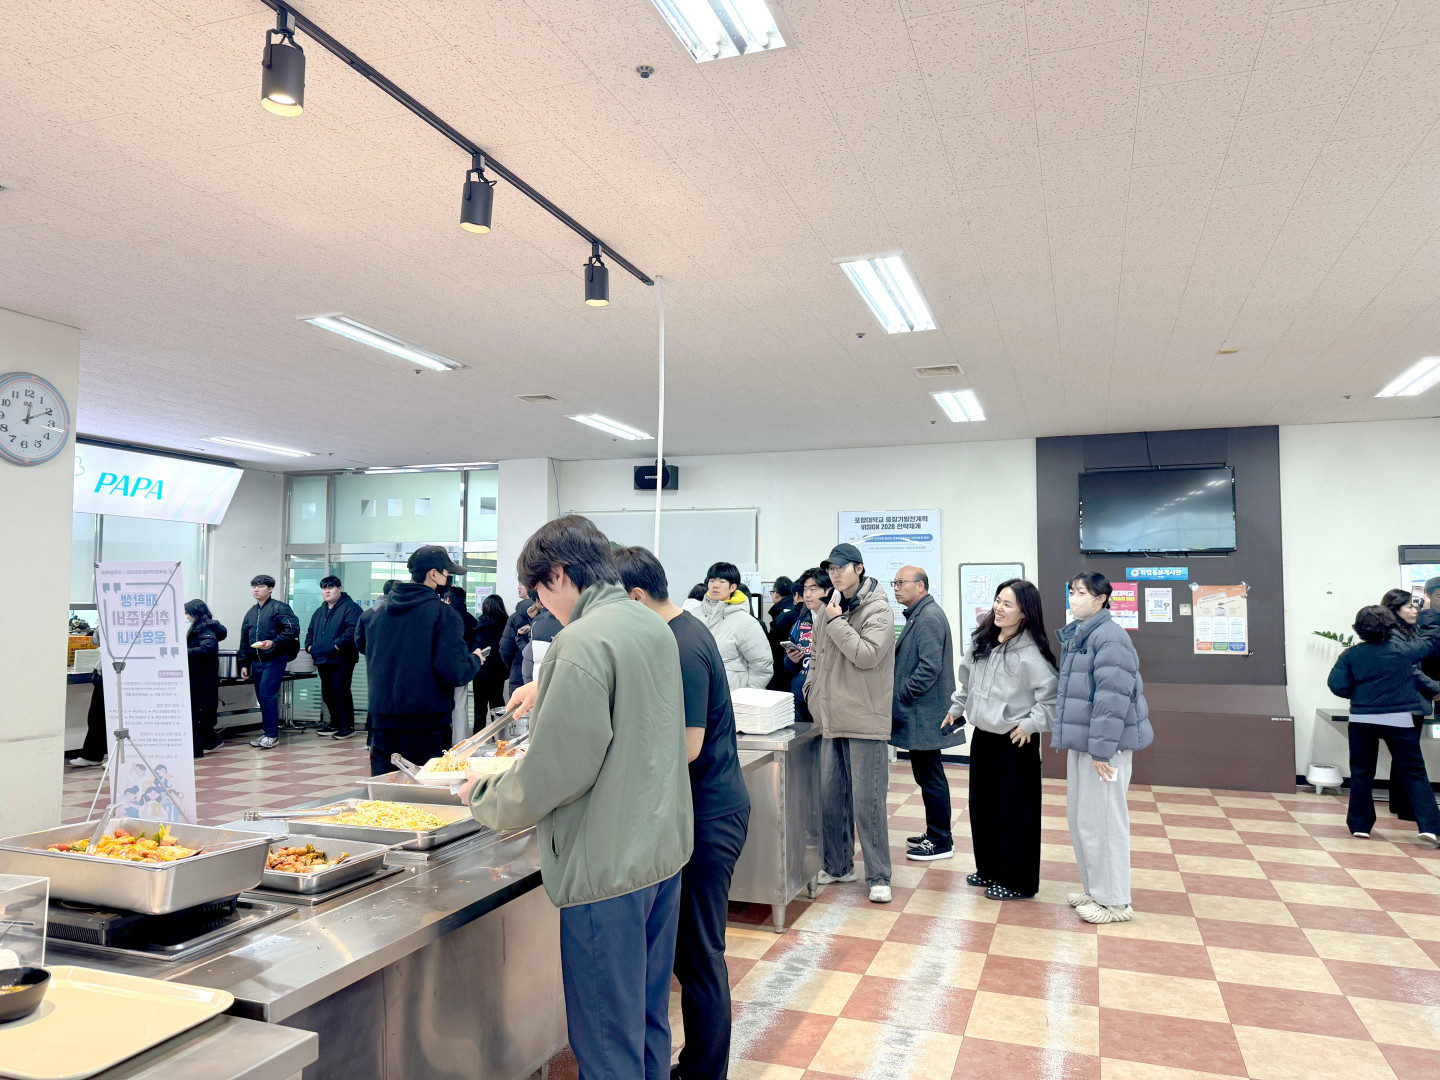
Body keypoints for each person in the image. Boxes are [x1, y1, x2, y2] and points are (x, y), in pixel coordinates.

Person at [462, 517, 691, 1080]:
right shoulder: (650, 624)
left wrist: (483, 793)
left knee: (608, 1041)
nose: (543, 610)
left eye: (540, 595)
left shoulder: (580, 640)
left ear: (559, 574)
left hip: (605, 869)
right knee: (645, 1021)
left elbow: (555, 772)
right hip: (661, 855)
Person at [613, 545, 749, 1080]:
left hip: (711, 815)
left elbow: (687, 746)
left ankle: (702, 1072)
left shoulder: (682, 645)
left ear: (636, 596)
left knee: (699, 955)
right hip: (699, 810)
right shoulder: (677, 632)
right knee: (693, 954)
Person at [947, 580, 1058, 899]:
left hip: (1015, 741)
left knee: (1014, 813)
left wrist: (1030, 724)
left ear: (1025, 613)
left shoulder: (1032, 653)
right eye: (998, 600)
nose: (999, 608)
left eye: (1008, 604)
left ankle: (1018, 881)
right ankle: (990, 869)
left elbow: (1050, 699)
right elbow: (966, 682)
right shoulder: (982, 641)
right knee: (982, 807)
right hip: (983, 736)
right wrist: (957, 709)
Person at [1054, 571, 1153, 924]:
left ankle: (1115, 903)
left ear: (1101, 599)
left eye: (1081, 592)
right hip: (1086, 744)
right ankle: (1095, 890)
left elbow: (1112, 700)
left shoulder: (1110, 637)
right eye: (1072, 590)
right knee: (1083, 820)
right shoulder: (1083, 635)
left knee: (1105, 822)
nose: (1074, 597)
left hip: (1104, 749)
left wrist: (1102, 751)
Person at [807, 543, 896, 904]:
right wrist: (813, 691)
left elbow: (866, 655)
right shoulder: (830, 607)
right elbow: (817, 657)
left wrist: (836, 621)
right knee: (831, 798)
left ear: (859, 569)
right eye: (830, 569)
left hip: (864, 718)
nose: (834, 575)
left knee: (867, 802)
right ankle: (839, 865)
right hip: (830, 717)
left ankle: (879, 875)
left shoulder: (878, 609)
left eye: (841, 568)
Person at [363, 546, 485, 776]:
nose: (449, 579)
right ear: (433, 574)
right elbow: (454, 671)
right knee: (423, 797)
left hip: (381, 723)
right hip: (425, 725)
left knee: (386, 795)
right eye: (448, 574)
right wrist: (475, 660)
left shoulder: (379, 614)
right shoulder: (443, 614)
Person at [1328, 604, 1440, 845]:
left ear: (1358, 630)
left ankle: (1360, 826)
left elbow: (1337, 686)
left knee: (1361, 772)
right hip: (1399, 720)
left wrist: (1358, 693)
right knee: (1414, 773)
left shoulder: (1351, 655)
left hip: (1361, 721)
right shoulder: (1405, 651)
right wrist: (1429, 611)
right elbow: (1431, 641)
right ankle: (1430, 827)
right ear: (1391, 626)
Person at [888, 566, 960, 863]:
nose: (896, 588)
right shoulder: (920, 614)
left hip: (924, 712)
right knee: (927, 774)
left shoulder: (928, 617)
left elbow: (929, 667)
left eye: (901, 583)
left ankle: (941, 840)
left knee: (931, 777)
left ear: (921, 587)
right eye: (894, 582)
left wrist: (904, 692)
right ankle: (934, 832)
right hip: (921, 712)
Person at [237, 574, 300, 750]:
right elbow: (244, 639)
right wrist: (243, 663)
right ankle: (267, 733)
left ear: (270, 589)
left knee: (267, 695)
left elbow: (292, 629)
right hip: (256, 661)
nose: (256, 589)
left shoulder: (280, 608)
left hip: (274, 659)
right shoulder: (251, 612)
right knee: (262, 697)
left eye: (260, 586)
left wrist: (274, 642)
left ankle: (272, 735)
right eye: (253, 586)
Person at [696, 561, 773, 690]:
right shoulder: (694, 615)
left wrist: (747, 696)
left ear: (732, 587)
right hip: (696, 692)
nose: (715, 585)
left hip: (731, 698)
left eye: (722, 582)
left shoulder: (746, 622)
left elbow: (762, 665)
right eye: (712, 581)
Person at [306, 576, 362, 740]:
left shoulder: (351, 608)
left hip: (342, 658)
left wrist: (336, 646)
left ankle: (347, 726)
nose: (327, 591)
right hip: (323, 659)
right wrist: (310, 646)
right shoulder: (320, 610)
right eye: (324, 588)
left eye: (331, 587)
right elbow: (310, 632)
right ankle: (335, 723)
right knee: (328, 692)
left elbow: (353, 631)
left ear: (339, 588)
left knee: (340, 690)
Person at [784, 568, 828, 722]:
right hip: (799, 697)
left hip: (825, 698)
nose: (807, 595)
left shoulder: (837, 619)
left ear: (828, 591)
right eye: (805, 589)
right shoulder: (801, 621)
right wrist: (791, 659)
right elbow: (788, 666)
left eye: (813, 589)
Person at [185, 599, 228, 757]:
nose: (187, 617)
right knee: (202, 712)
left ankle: (200, 747)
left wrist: (183, 652)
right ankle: (211, 741)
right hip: (201, 676)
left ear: (195, 613)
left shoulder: (206, 628)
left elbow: (207, 649)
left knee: (200, 712)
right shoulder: (201, 627)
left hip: (203, 677)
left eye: (188, 614)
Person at [474, 593, 510, 724]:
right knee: (498, 705)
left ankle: (479, 740)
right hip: (498, 672)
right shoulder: (507, 624)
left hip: (480, 672)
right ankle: (501, 737)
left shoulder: (479, 625)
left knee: (479, 709)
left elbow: (475, 648)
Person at [766, 577, 799, 691]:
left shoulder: (783, 617)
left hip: (782, 671)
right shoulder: (797, 611)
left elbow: (773, 648)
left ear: (776, 594)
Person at [355, 578, 397, 657]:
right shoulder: (403, 613)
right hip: (398, 661)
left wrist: (370, 652)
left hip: (375, 661)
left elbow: (359, 639)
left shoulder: (366, 615)